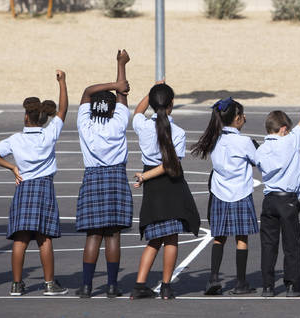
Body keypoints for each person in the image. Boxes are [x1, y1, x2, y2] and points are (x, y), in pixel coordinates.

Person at [0, 70, 70, 297]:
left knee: (20, 238)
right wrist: (62, 83)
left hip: (23, 188)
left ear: (26, 117)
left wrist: (13, 167)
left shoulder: (15, 139)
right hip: (43, 188)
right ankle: (50, 284)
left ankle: (16, 284)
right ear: (43, 118)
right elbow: (63, 109)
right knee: (44, 238)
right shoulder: (48, 134)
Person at [129, 82, 201, 300]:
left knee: (154, 238)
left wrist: (151, 91)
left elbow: (137, 112)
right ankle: (167, 286)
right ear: (171, 104)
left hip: (152, 187)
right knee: (171, 238)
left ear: (152, 103)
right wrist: (145, 176)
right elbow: (171, 165)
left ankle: (140, 284)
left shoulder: (142, 125)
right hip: (171, 185)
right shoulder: (178, 132)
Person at [74, 50, 133, 299]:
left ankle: (87, 286)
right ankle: (111, 286)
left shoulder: (84, 124)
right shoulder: (118, 124)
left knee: (93, 234)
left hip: (92, 177)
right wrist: (121, 65)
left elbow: (87, 91)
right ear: (111, 109)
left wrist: (113, 82)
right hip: (116, 178)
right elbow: (123, 94)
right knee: (113, 233)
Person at [191, 97, 259, 296]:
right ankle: (240, 282)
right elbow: (258, 160)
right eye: (242, 115)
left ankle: (213, 278)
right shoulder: (244, 141)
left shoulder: (214, 139)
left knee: (219, 237)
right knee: (241, 237)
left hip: (220, 192)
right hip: (240, 193)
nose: (244, 118)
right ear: (237, 118)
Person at [255, 83, 300, 298]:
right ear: (282, 129)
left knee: (268, 245)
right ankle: (292, 285)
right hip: (287, 199)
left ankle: (268, 286)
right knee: (291, 244)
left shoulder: (261, 148)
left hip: (269, 199)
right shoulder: (290, 141)